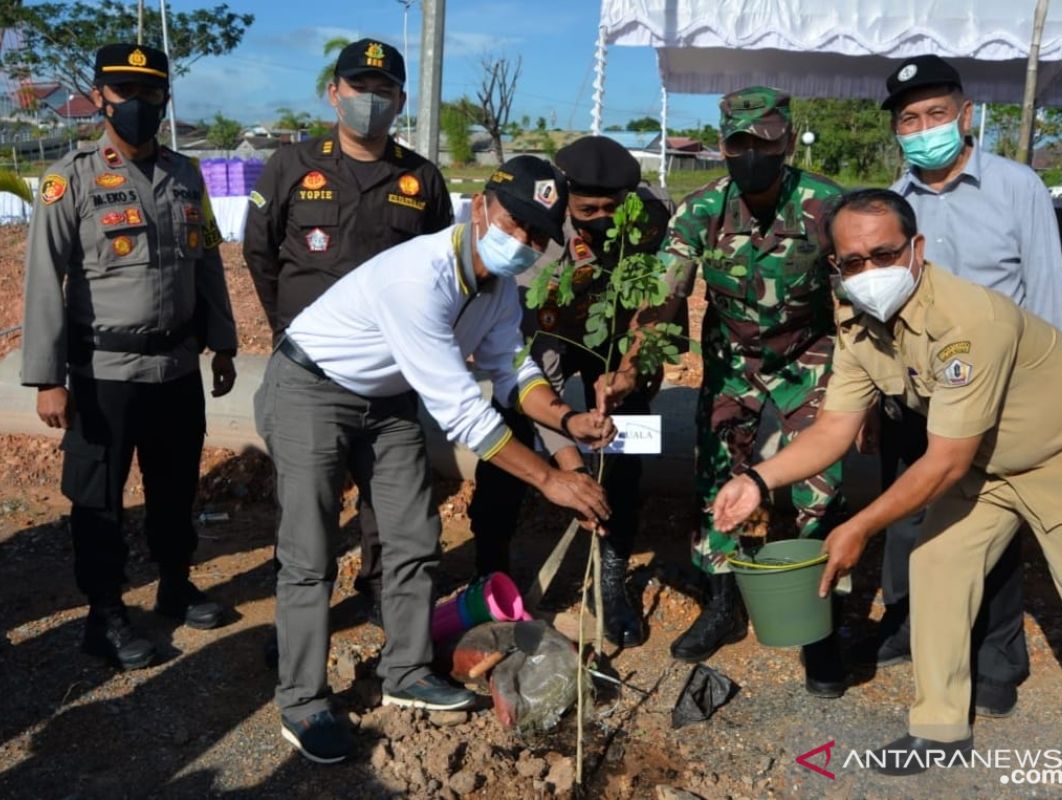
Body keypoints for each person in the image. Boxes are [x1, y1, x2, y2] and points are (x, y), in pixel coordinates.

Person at [711, 189, 1062, 798]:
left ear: (917, 249)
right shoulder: (858, 326)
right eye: (852, 262)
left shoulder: (969, 321)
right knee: (936, 564)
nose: (870, 272)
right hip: (988, 462)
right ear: (836, 268)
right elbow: (834, 428)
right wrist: (756, 479)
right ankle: (940, 731)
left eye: (884, 253)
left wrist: (858, 528)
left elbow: (945, 460)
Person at [257, 155, 616, 764]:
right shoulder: (419, 277)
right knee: (310, 551)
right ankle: (303, 701)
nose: (522, 242)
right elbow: (462, 413)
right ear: (481, 208)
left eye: (536, 236)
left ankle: (406, 672)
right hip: (311, 387)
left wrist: (565, 420)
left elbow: (511, 369)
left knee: (413, 535)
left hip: (386, 397)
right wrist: (550, 480)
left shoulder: (500, 287)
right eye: (515, 223)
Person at [601, 87, 848, 693]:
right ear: (723, 146)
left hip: (807, 356)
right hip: (732, 357)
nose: (751, 155)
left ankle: (820, 623)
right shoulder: (700, 210)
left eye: (763, 142)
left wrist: (860, 393)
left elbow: (856, 302)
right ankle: (722, 602)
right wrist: (631, 369)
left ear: (786, 142)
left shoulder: (827, 208)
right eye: (738, 144)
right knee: (715, 472)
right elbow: (662, 300)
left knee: (819, 488)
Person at [856, 54, 1062, 718]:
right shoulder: (897, 204)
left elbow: (1047, 299)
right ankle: (907, 624)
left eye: (936, 115)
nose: (924, 129)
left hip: (997, 396)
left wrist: (1045, 397)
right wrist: (870, 395)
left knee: (991, 522)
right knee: (908, 515)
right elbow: (878, 305)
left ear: (966, 115)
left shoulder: (1017, 188)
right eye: (910, 119)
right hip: (915, 393)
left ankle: (996, 654)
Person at [21, 43, 238, 670]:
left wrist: (222, 342)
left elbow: (208, 263)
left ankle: (175, 584)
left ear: (165, 100)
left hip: (175, 368)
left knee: (174, 488)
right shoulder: (73, 177)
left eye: (149, 94)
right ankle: (105, 615)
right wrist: (46, 378)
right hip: (103, 373)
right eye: (124, 93)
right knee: (100, 499)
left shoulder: (186, 175)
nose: (136, 105)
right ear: (100, 97)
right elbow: (43, 280)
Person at [244, 38, 453, 628]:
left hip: (390, 377)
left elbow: (439, 270)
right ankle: (300, 622)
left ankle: (385, 597)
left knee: (389, 506)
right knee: (305, 507)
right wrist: (290, 329)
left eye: (383, 91)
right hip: (310, 376)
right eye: (359, 88)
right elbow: (259, 252)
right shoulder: (292, 165)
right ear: (334, 93)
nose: (370, 100)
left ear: (401, 100)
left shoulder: (422, 179)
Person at [468, 135, 669, 647]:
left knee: (628, 450)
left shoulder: (649, 217)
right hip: (548, 343)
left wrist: (628, 371)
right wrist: (572, 471)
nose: (602, 218)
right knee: (507, 441)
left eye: (612, 207)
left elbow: (658, 306)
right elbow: (537, 377)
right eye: (588, 208)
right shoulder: (537, 238)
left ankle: (611, 577)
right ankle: (490, 573)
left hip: (618, 345)